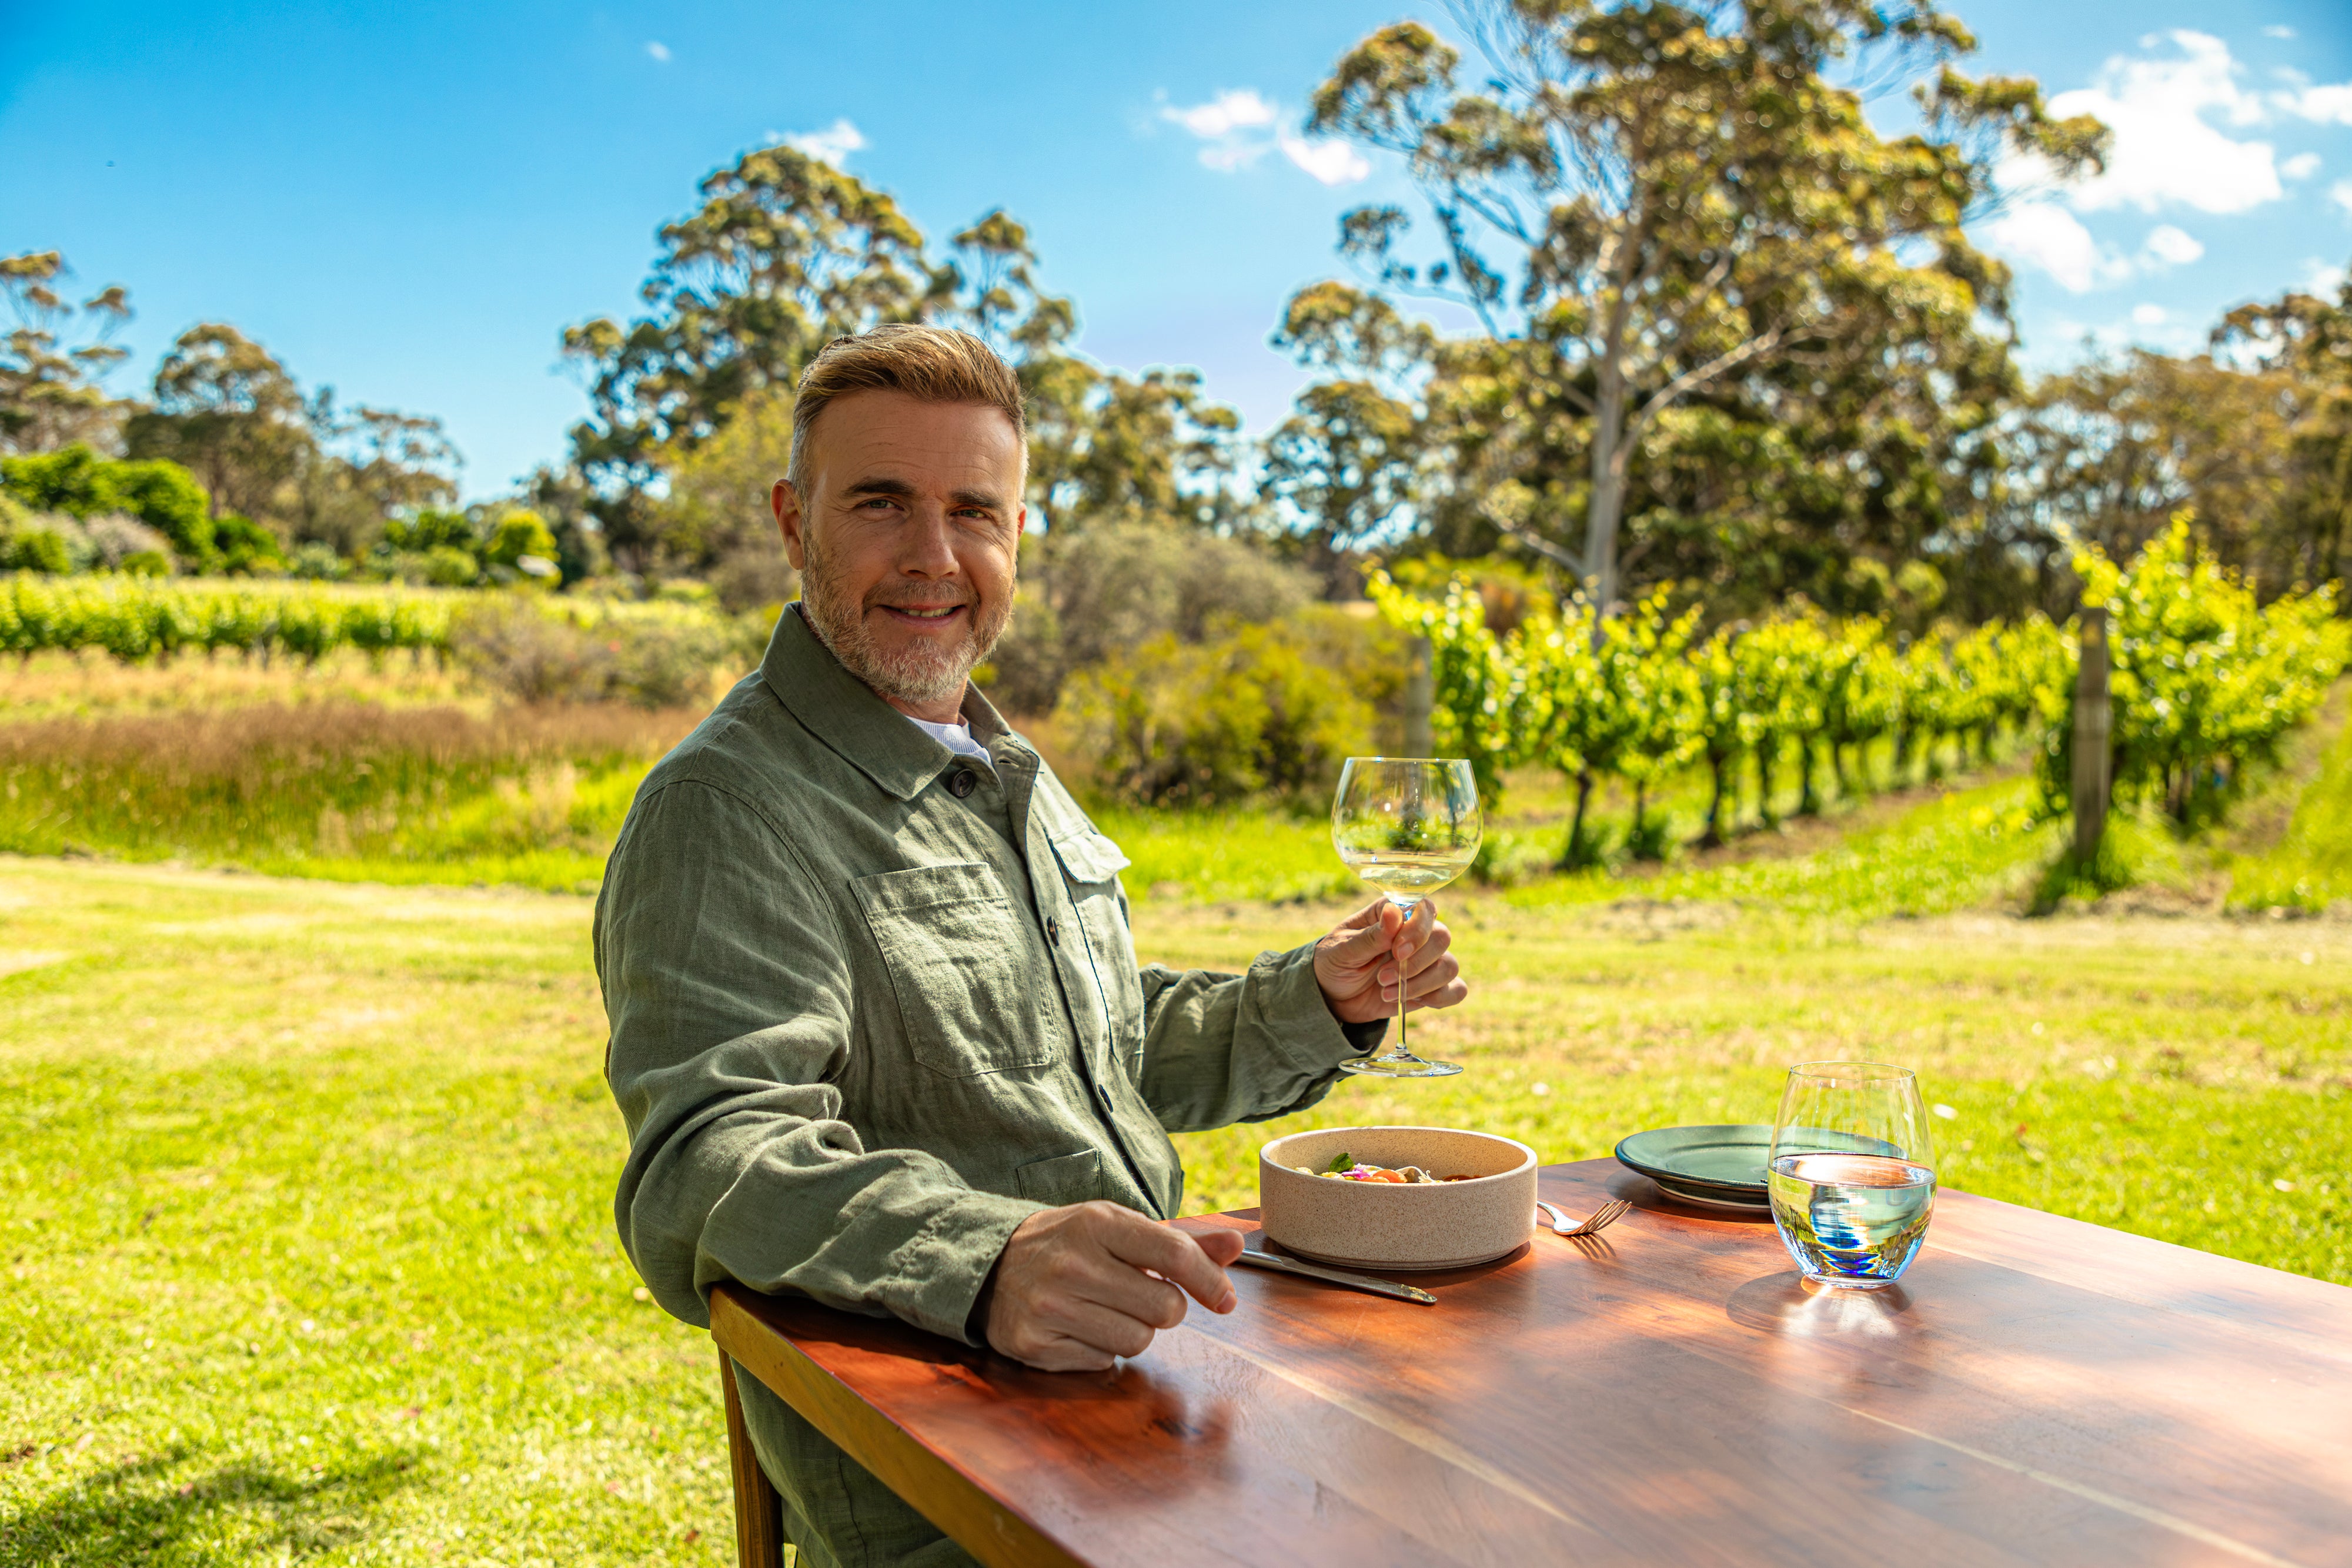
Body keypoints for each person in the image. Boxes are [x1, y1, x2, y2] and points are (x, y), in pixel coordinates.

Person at [596, 323, 1468, 1568]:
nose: (933, 555)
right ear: (794, 521)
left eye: (973, 510)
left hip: (1153, 1387)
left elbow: (1088, 1046)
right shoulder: (728, 805)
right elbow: (710, 1157)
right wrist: (988, 1256)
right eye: (881, 504)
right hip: (955, 1471)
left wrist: (1315, 1003)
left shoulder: (995, 762)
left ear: (1017, 537)